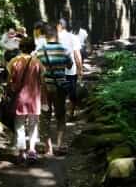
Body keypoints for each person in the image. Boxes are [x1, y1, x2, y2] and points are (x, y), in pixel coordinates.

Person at [36, 23, 73, 156]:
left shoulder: (39, 52)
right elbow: (69, 65)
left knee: (45, 116)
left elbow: (37, 70)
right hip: (60, 88)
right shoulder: (64, 50)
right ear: (56, 35)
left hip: (44, 88)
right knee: (60, 116)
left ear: (45, 36)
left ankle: (48, 147)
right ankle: (60, 144)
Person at [7, 37, 44, 164]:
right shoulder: (37, 62)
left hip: (19, 98)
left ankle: (21, 152)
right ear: (33, 48)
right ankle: (32, 150)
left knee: (19, 125)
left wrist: (10, 90)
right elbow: (42, 81)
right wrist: (44, 99)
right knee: (33, 124)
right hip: (34, 97)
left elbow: (10, 81)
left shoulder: (14, 61)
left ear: (20, 47)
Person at [57, 18, 84, 119]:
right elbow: (77, 55)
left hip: (56, 70)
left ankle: (60, 113)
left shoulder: (53, 38)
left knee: (59, 93)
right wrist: (80, 69)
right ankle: (71, 113)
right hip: (70, 70)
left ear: (59, 26)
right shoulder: (73, 37)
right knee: (72, 92)